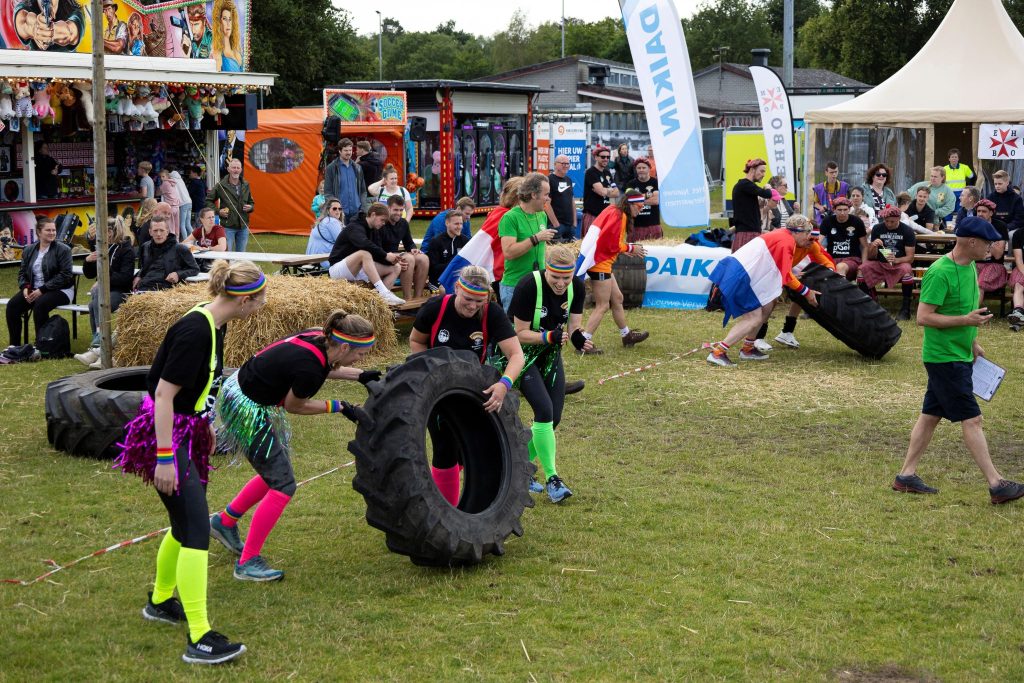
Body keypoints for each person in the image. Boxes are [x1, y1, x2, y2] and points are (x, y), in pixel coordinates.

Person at [115, 260, 267, 665]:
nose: (259, 309)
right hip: (166, 436)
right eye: (259, 302)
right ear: (245, 299)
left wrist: (204, 422)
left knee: (184, 524)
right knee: (197, 530)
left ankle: (162, 600)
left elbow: (198, 387)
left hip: (186, 429)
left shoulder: (218, 325)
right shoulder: (196, 330)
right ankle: (199, 636)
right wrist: (166, 457)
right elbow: (164, 395)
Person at [210, 311, 375, 581]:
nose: (362, 359)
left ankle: (224, 522)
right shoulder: (310, 367)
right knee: (283, 484)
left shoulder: (320, 337)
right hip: (246, 407)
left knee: (275, 472)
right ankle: (247, 562)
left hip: (243, 390)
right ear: (344, 346)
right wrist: (339, 406)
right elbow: (294, 405)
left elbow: (325, 367)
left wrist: (360, 375)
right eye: (361, 355)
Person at [891, 216, 1024, 505]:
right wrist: (965, 321)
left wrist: (972, 340)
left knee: (930, 416)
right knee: (972, 419)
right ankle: (996, 484)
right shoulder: (940, 272)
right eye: (988, 242)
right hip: (945, 359)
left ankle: (905, 476)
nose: (992, 247)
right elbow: (923, 317)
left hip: (960, 354)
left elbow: (965, 309)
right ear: (972, 242)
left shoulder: (970, 267)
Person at [409, 265, 525, 505]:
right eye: (468, 299)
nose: (473, 306)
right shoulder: (435, 308)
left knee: (471, 447)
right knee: (444, 450)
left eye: (479, 301)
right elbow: (416, 340)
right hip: (437, 390)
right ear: (457, 289)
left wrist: (504, 384)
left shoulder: (491, 313)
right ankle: (446, 511)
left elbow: (517, 356)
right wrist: (426, 371)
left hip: (473, 391)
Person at [505, 244, 594, 501]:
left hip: (549, 353)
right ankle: (553, 479)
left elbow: (574, 326)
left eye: (566, 278)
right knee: (543, 411)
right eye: (556, 277)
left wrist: (577, 338)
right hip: (521, 355)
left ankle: (518, 469)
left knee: (553, 418)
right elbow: (519, 333)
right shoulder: (528, 286)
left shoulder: (576, 286)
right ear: (547, 271)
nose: (561, 283)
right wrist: (549, 336)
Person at [707, 214, 825, 367]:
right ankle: (718, 353)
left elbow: (779, 268)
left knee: (768, 305)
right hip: (741, 275)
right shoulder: (787, 242)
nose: (809, 237)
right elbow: (786, 277)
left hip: (743, 273)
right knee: (753, 318)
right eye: (807, 233)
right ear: (797, 231)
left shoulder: (784, 236)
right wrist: (806, 292)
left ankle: (748, 348)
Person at [579, 189, 650, 353]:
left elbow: (609, 240)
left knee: (617, 298)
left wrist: (624, 248)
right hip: (600, 264)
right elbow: (610, 244)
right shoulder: (620, 215)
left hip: (602, 263)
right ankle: (584, 342)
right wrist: (631, 248)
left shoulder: (614, 210)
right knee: (602, 306)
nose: (641, 210)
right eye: (639, 206)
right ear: (630, 204)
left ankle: (627, 336)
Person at [74, 216, 136, 368]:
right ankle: (98, 347)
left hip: (121, 292)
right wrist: (88, 261)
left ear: (110, 232)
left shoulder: (126, 249)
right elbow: (89, 274)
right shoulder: (103, 247)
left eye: (103, 232)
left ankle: (97, 347)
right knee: (94, 302)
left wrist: (103, 280)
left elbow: (125, 278)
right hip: (106, 291)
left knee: (97, 301)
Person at [5, 216, 73, 347]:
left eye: (54, 230)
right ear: (39, 232)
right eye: (48, 230)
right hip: (35, 289)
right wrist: (24, 287)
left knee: (40, 304)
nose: (52, 233)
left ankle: (41, 345)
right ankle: (14, 346)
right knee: (12, 306)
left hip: (61, 290)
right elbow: (22, 273)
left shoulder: (64, 250)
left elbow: (65, 275)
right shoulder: (29, 250)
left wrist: (42, 290)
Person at [326, 203, 404, 305]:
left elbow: (377, 253)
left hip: (358, 269)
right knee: (364, 254)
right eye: (382, 220)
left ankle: (380, 303)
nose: (384, 223)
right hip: (337, 269)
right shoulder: (354, 227)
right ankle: (384, 292)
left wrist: (392, 260)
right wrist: (386, 255)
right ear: (373, 215)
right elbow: (364, 244)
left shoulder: (374, 230)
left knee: (396, 267)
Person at [498, 172, 553, 311]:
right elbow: (509, 252)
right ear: (534, 195)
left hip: (538, 283)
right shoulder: (510, 218)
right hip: (514, 285)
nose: (548, 198)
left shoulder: (541, 215)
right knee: (514, 331)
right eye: (546, 194)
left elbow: (543, 249)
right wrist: (536, 238)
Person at [858, 206, 917, 320]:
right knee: (862, 269)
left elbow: (910, 258)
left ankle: (905, 309)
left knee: (906, 270)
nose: (889, 224)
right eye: (886, 221)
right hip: (880, 263)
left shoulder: (907, 231)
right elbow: (871, 256)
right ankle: (872, 304)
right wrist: (874, 245)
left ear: (899, 218)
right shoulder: (877, 228)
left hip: (899, 263)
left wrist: (897, 260)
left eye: (892, 222)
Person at [133, 216, 200, 292]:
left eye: (162, 230)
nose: (158, 234)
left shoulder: (180, 248)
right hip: (144, 287)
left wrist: (178, 274)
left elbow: (195, 269)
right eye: (155, 230)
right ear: (150, 232)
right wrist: (138, 276)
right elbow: (143, 267)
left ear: (167, 231)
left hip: (166, 289)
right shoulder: (145, 247)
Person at [382, 195, 430, 299]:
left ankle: (418, 297)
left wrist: (413, 248)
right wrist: (396, 257)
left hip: (396, 256)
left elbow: (409, 243)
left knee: (423, 258)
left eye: (401, 210)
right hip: (383, 257)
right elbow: (376, 248)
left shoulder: (403, 223)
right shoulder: (381, 222)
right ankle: (407, 299)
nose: (399, 213)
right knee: (408, 259)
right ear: (388, 208)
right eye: (395, 210)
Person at [206, 158, 254, 252]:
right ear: (228, 169)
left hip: (243, 226)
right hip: (228, 227)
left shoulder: (246, 184)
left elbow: (251, 202)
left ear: (241, 170)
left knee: (241, 257)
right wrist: (218, 211)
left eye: (238, 168)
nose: (235, 170)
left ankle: (238, 267)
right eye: (233, 168)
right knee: (227, 255)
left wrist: (250, 207)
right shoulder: (221, 185)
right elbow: (208, 201)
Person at [818, 198, 867, 280]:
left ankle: (841, 291)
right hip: (832, 259)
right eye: (839, 210)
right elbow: (819, 243)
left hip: (852, 259)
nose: (842, 213)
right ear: (834, 210)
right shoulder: (827, 221)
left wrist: (863, 266)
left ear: (849, 209)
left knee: (840, 267)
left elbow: (865, 246)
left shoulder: (857, 221)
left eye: (845, 210)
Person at [731, 158, 774, 252]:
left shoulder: (746, 187)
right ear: (752, 169)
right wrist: (769, 189)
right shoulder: (745, 185)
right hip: (747, 235)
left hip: (749, 233)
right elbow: (766, 194)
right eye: (761, 171)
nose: (763, 175)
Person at [972, 199, 1009, 303]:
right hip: (975, 262)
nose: (980, 214)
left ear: (991, 213)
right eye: (978, 211)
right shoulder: (973, 224)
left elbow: (997, 255)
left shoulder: (1000, 226)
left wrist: (987, 235)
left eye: (984, 211)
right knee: (962, 281)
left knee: (979, 284)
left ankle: (971, 314)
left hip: (994, 265)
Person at [324, 138, 368, 223]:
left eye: (350, 150)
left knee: (355, 236)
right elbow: (328, 192)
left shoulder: (358, 168)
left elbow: (363, 191)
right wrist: (334, 209)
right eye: (345, 150)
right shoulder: (331, 168)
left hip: (356, 211)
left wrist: (363, 208)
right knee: (340, 236)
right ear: (340, 151)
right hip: (339, 212)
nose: (348, 153)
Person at [15, 0, 84, 51]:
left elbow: (70, 33)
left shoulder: (74, 11)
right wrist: (35, 28)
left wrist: (51, 32)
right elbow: (23, 22)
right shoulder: (25, 7)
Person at [582, 147, 619, 236]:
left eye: (607, 157)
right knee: (590, 244)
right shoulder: (591, 172)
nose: (606, 159)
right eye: (603, 157)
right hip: (592, 215)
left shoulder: (607, 172)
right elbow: (602, 192)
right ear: (596, 157)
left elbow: (617, 192)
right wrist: (608, 190)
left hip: (605, 215)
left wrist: (605, 190)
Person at [426, 209, 470, 285]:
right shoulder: (436, 241)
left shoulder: (465, 240)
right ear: (447, 223)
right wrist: (454, 264)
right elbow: (433, 269)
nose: (459, 227)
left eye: (461, 224)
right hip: (438, 281)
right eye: (456, 224)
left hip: (459, 280)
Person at [544, 154, 576, 242]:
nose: (565, 166)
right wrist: (556, 224)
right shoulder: (549, 180)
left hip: (570, 226)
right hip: (556, 226)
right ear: (555, 164)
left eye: (567, 164)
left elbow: (572, 201)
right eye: (563, 163)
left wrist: (575, 223)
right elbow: (546, 204)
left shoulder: (568, 179)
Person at [305, 197, 343, 268]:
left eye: (340, 209)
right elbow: (341, 241)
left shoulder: (322, 220)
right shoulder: (331, 221)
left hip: (311, 258)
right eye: (334, 209)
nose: (337, 211)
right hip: (324, 260)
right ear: (328, 210)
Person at [630, 158, 661, 240]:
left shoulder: (655, 182)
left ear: (649, 169)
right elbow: (629, 202)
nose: (641, 170)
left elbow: (655, 201)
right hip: (637, 225)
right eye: (638, 168)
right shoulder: (631, 184)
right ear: (636, 169)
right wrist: (648, 195)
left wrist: (637, 199)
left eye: (644, 168)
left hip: (653, 224)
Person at [211, 0, 242, 72]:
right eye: (224, 19)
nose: (228, 23)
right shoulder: (217, 53)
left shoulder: (237, 51)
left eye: (230, 19)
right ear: (219, 22)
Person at [156, 168, 183, 238]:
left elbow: (157, 193)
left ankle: (171, 242)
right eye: (160, 177)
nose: (162, 178)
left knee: (170, 227)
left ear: (167, 176)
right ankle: (176, 240)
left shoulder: (165, 183)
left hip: (170, 207)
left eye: (163, 176)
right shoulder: (172, 182)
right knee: (176, 226)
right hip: (177, 206)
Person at [1007, 226, 1024, 327]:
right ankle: (1018, 311)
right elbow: (1019, 259)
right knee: (1019, 284)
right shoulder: (1019, 234)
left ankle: (1019, 318)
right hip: (1021, 267)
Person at [171, 168, 193, 240]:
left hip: (183, 203)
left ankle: (186, 241)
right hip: (189, 202)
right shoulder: (181, 180)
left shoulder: (173, 181)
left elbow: (175, 193)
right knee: (188, 224)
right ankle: (195, 240)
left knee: (182, 225)